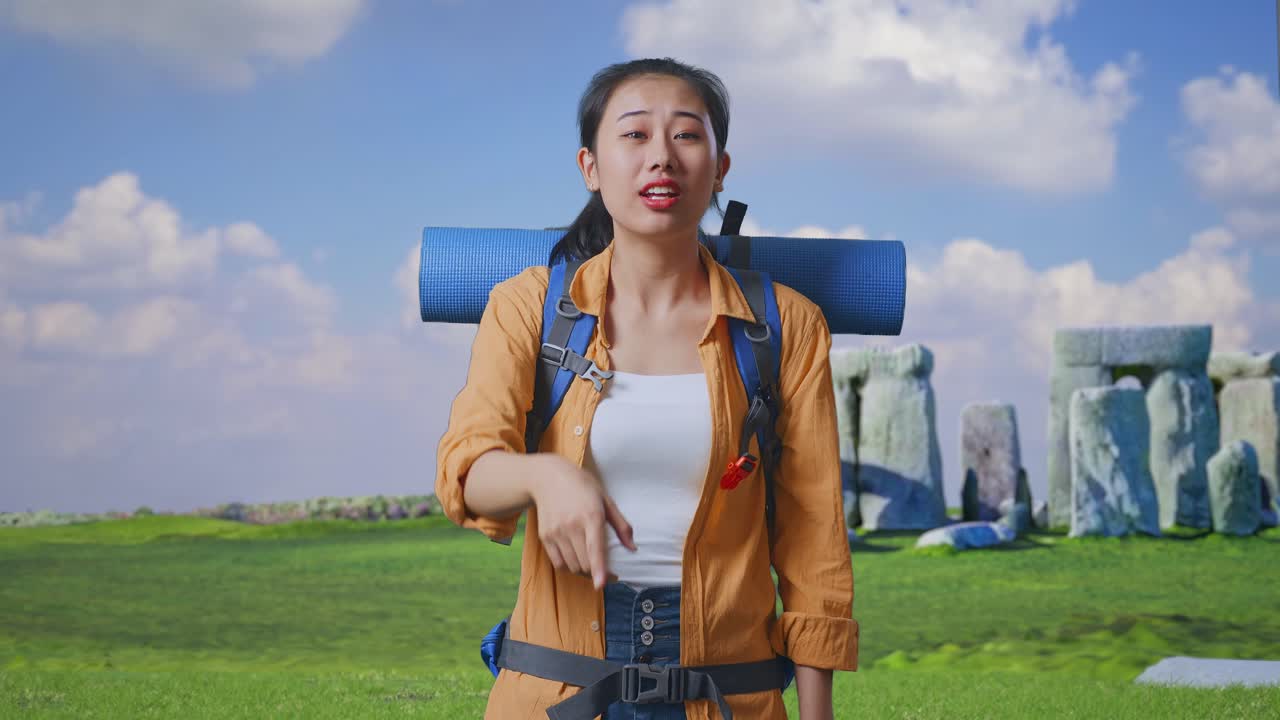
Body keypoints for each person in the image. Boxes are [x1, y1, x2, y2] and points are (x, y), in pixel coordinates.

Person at [435, 57, 857, 720]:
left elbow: (814, 541)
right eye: (634, 135)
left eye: (687, 135)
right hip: (555, 695)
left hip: (730, 698)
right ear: (591, 168)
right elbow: (466, 474)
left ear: (720, 169)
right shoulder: (526, 309)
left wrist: (818, 715)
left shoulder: (786, 326)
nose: (661, 156)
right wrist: (545, 476)